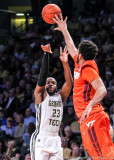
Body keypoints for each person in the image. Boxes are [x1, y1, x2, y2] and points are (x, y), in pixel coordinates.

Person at [53, 14, 114, 159]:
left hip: (92, 117)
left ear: (80, 55)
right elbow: (71, 46)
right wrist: (64, 30)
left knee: (102, 157)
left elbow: (102, 90)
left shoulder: (87, 69)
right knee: (96, 155)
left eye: (78, 51)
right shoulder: (79, 63)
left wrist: (89, 106)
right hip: (89, 119)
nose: (75, 51)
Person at [30, 44, 73, 160]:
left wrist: (65, 63)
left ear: (56, 86)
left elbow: (69, 83)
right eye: (48, 82)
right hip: (41, 137)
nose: (50, 84)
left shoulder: (60, 96)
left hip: (55, 139)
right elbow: (42, 77)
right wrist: (46, 55)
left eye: (53, 83)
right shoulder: (40, 95)